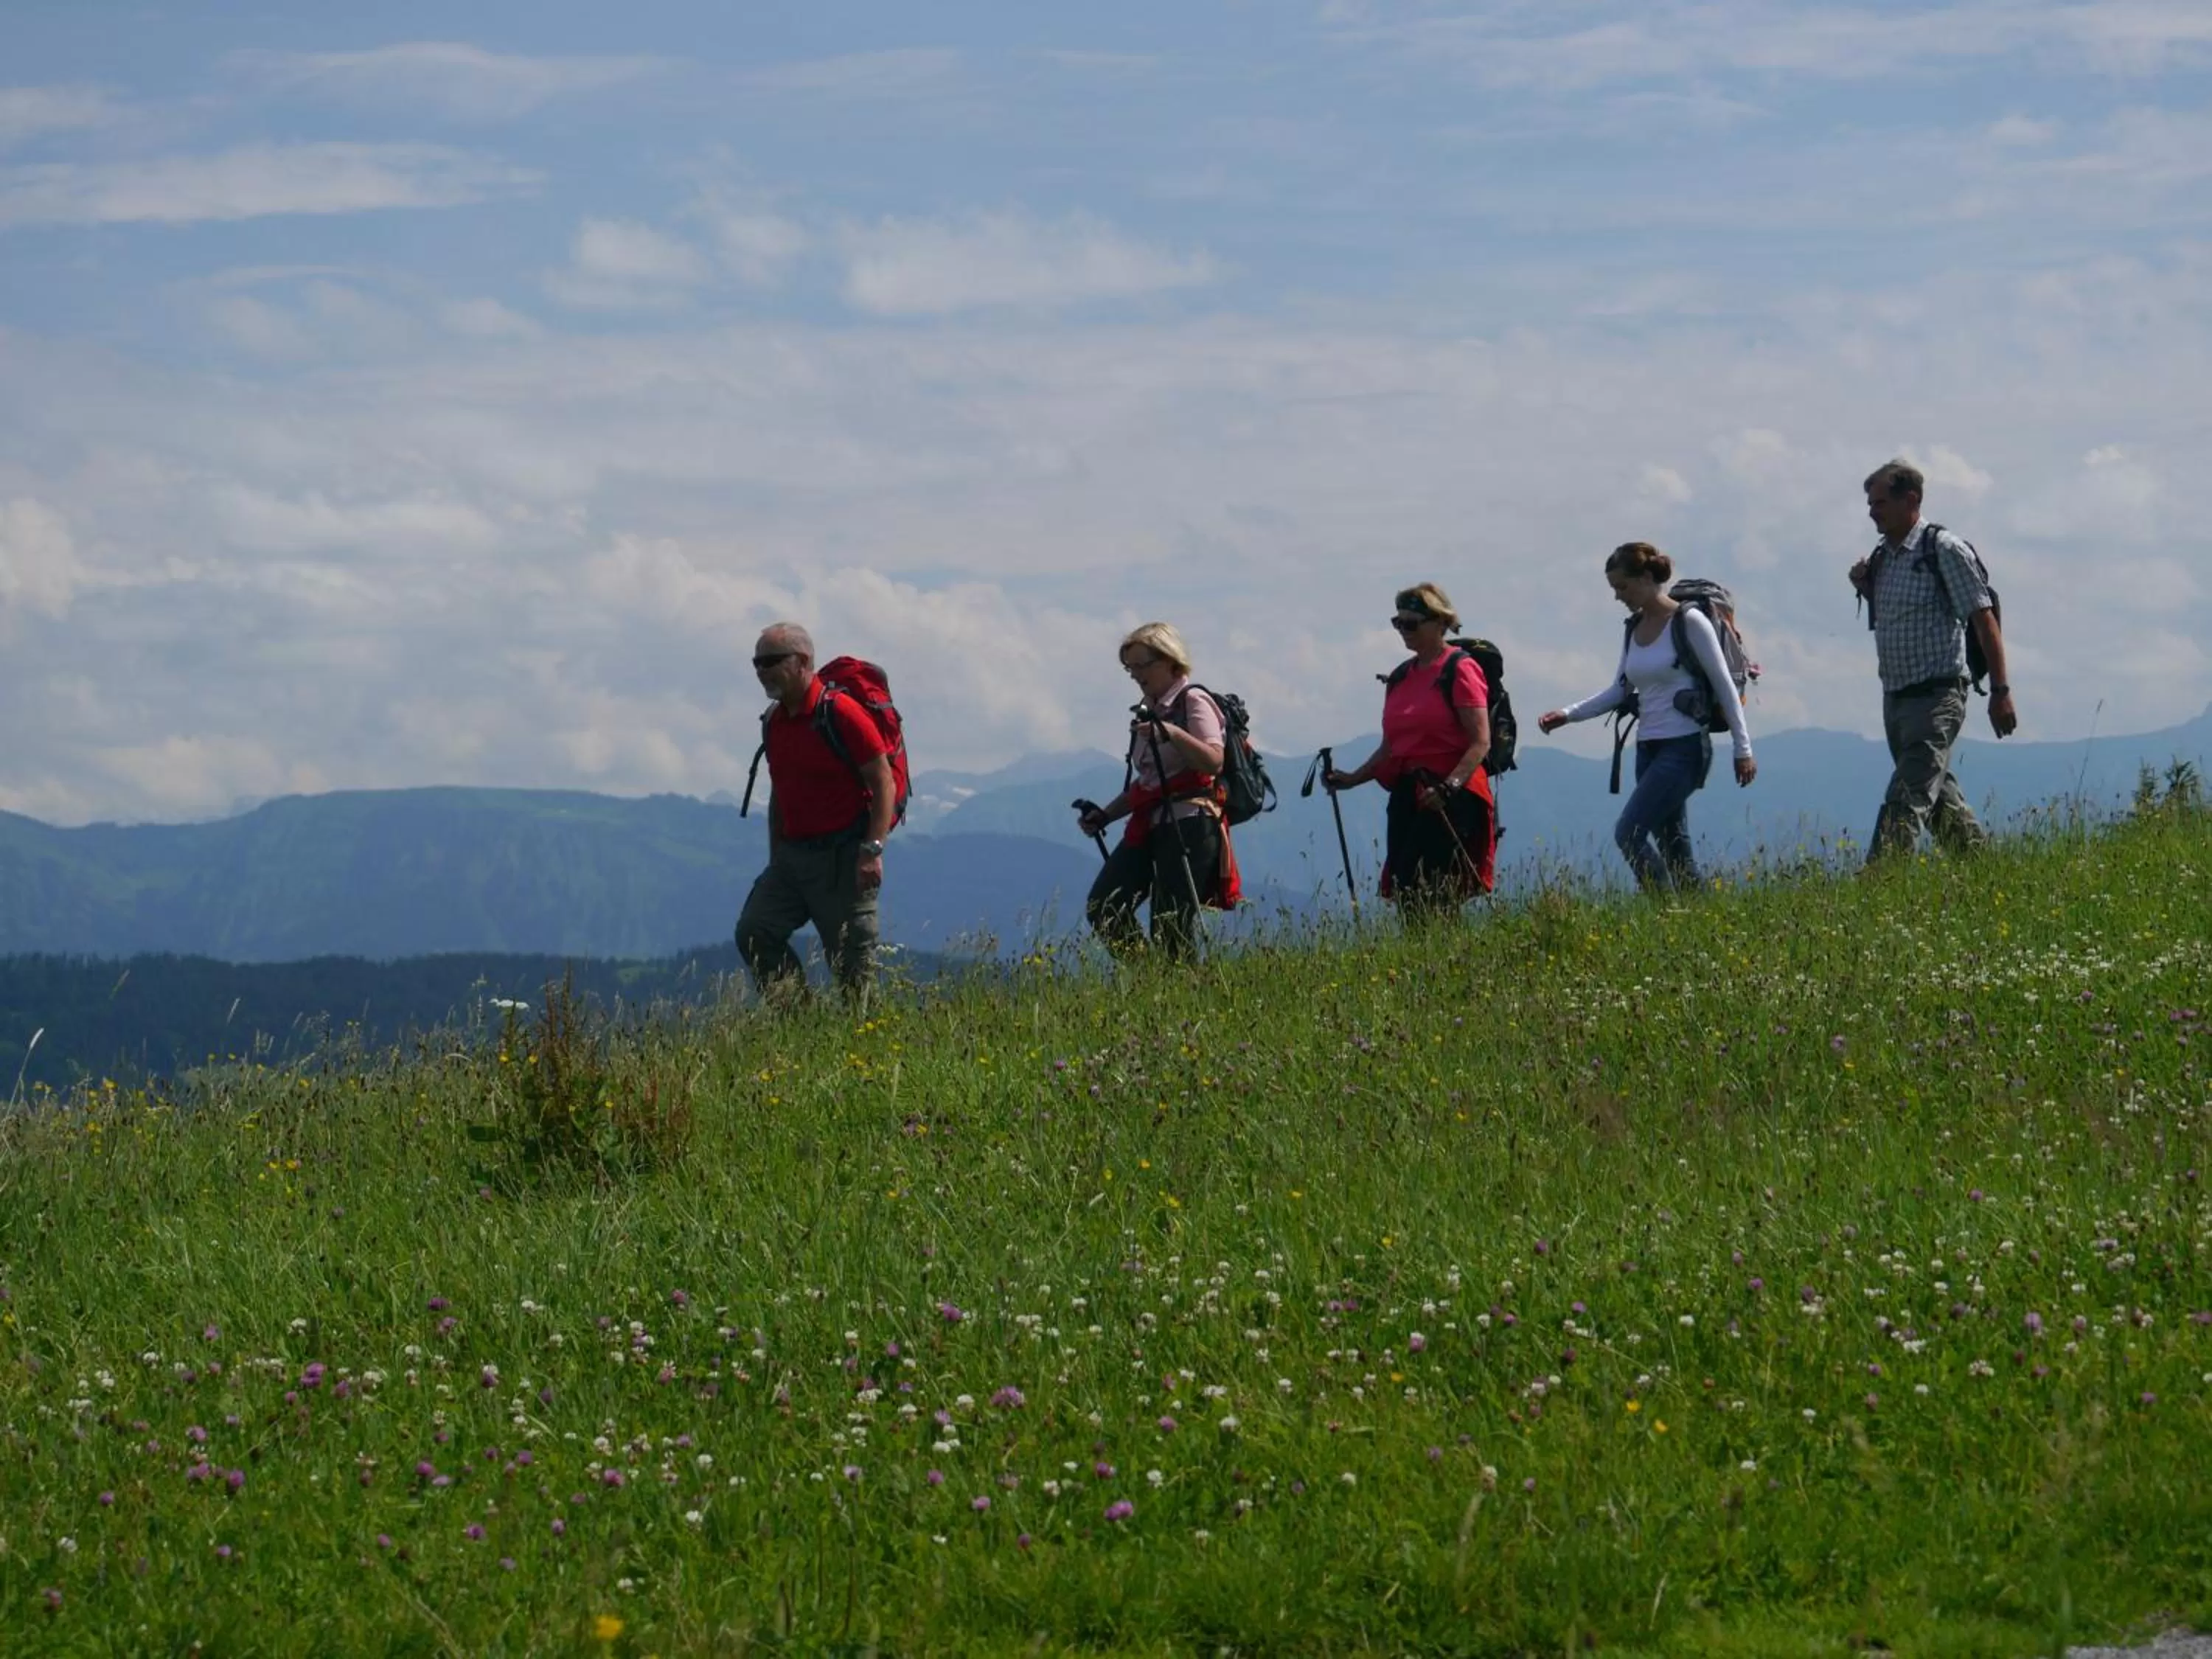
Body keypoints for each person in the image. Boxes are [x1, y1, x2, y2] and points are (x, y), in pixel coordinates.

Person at [1537, 543, 1756, 891]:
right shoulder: (1634, 628)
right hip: (1648, 749)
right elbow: (1620, 691)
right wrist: (1568, 715)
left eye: (1622, 587)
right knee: (1675, 850)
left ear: (1646, 578)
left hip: (1684, 748)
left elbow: (1724, 685)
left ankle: (1664, 912)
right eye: (1614, 589)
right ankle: (1695, 917)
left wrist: (1743, 749)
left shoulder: (1689, 621)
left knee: (1629, 834)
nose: (1617, 596)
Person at [1848, 459, 2016, 861]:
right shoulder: (1884, 558)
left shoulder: (1944, 549)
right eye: (1870, 503)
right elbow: (1901, 615)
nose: (1872, 511)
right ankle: (1983, 870)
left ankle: (1879, 882)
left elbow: (1983, 619)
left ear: (1912, 499)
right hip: (1896, 697)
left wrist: (2001, 691)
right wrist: (1866, 588)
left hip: (1938, 693)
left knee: (1907, 796)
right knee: (1938, 800)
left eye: (1880, 502)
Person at [735, 622, 897, 1000]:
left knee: (854, 975)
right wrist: (777, 858)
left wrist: (872, 851)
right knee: (755, 932)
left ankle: (865, 1048)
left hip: (844, 857)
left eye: (771, 661)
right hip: (792, 859)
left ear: (803, 660)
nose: (761, 671)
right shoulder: (774, 723)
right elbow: (781, 793)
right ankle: (800, 1024)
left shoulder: (842, 713)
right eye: (756, 663)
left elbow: (883, 782)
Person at [1323, 583, 1495, 919]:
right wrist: (1352, 778)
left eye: (1411, 623)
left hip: (1452, 797)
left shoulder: (1460, 669)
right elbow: (1392, 746)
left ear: (1439, 623)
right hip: (1409, 794)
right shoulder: (1401, 677)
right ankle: (1431, 960)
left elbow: (1480, 741)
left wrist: (1449, 787)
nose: (1403, 631)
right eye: (1398, 623)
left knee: (1432, 885)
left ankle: (1442, 959)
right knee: (1405, 883)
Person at [1073, 623, 1242, 959]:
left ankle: (1177, 990)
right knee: (1103, 906)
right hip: (1151, 823)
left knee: (1171, 927)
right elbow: (1150, 783)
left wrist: (1171, 733)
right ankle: (1152, 981)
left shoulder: (1194, 701)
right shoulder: (1149, 709)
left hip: (1191, 825)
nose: (1135, 675)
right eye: (1129, 668)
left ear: (1169, 661)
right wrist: (1106, 814)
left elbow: (1213, 761)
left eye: (1142, 665)